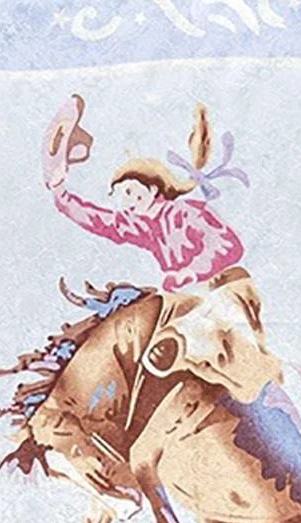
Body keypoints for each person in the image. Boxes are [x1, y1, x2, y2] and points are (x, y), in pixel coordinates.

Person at [42, 95, 280, 403]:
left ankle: (239, 373)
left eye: (131, 191)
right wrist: (61, 194)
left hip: (224, 287)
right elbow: (103, 221)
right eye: (121, 196)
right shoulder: (144, 227)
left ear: (153, 188)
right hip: (186, 297)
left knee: (202, 330)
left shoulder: (186, 212)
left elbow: (228, 246)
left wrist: (189, 272)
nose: (127, 201)